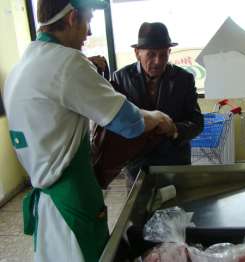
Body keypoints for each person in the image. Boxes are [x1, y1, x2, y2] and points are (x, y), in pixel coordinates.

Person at [3, 1, 175, 261]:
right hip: (71, 202)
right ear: (72, 17)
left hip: (46, 198)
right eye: (89, 20)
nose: (89, 32)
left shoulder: (22, 67)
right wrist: (158, 117)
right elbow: (129, 123)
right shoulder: (67, 63)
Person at [111, 22, 204, 188]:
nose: (158, 61)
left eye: (163, 54)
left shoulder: (184, 79)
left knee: (179, 210)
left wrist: (174, 129)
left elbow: (197, 123)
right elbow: (114, 123)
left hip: (175, 163)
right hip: (137, 167)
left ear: (169, 52)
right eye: (151, 54)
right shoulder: (120, 79)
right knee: (139, 212)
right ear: (137, 53)